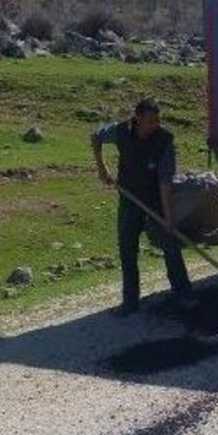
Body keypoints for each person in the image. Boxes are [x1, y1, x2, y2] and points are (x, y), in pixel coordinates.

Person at [91, 98, 196, 316]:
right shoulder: (120, 132)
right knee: (127, 250)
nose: (155, 124)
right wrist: (102, 169)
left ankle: (183, 293)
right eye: (150, 120)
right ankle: (130, 302)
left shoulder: (165, 141)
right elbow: (96, 136)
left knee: (170, 245)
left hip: (155, 200)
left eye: (157, 120)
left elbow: (165, 182)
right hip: (129, 198)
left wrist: (168, 218)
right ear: (137, 118)